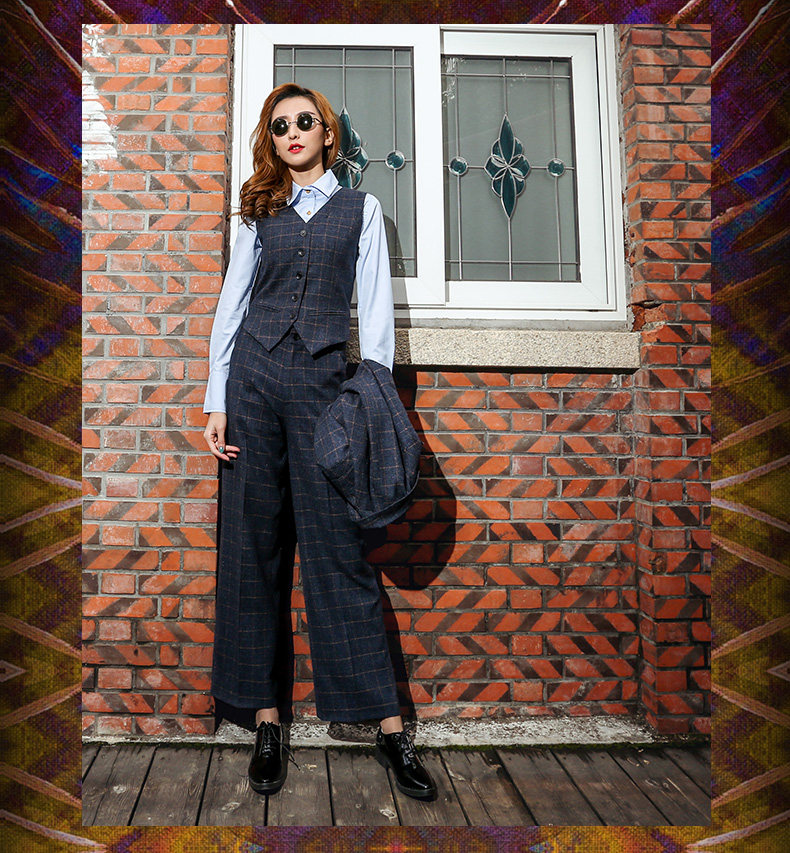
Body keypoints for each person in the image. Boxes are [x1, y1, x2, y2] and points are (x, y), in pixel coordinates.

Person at [202, 83, 436, 801]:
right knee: (252, 551)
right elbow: (231, 307)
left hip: (325, 392)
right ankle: (266, 722)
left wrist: (367, 397)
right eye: (280, 127)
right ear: (271, 141)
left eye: (305, 122)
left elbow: (377, 318)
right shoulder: (259, 212)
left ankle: (389, 727)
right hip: (254, 385)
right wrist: (216, 399)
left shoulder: (361, 210)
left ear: (328, 134)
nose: (293, 133)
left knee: (339, 554)